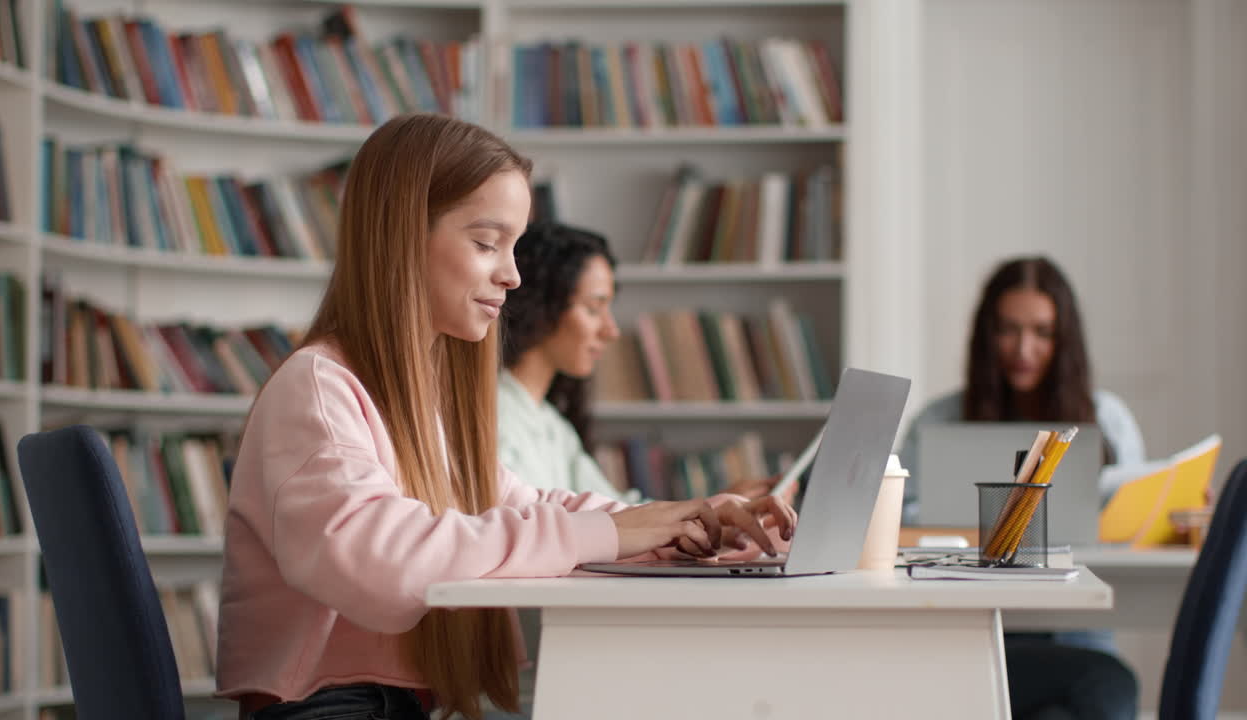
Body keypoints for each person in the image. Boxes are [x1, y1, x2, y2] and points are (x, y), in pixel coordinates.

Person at [215, 114, 796, 720]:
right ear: (399, 236)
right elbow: (383, 567)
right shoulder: (317, 388)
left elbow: (521, 507)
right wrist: (616, 533)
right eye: (487, 243)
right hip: (328, 708)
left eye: (513, 247)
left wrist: (686, 526)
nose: (512, 274)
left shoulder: (418, 407)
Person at [898, 256, 1139, 720]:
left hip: (1075, 629)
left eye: (1042, 332)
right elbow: (904, 520)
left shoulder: (1108, 421)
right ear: (986, 336)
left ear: (1064, 340)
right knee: (1104, 687)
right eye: (1008, 330)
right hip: (980, 624)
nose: (1023, 349)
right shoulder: (938, 421)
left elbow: (1130, 515)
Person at [498, 220, 773, 504]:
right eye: (593, 309)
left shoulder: (551, 424)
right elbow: (549, 522)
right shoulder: (498, 418)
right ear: (541, 306)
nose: (611, 330)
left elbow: (616, 510)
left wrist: (712, 508)